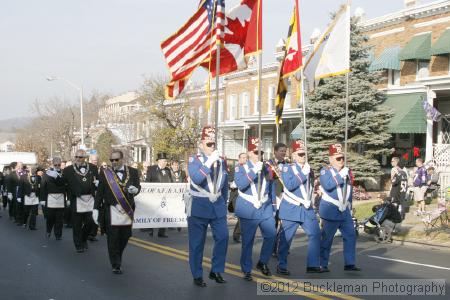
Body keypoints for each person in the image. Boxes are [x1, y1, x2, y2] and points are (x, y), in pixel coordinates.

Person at [187, 126, 229, 287]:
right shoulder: (194, 160)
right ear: (201, 144)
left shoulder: (221, 161)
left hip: (217, 206)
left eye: (213, 144)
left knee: (223, 237)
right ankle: (197, 274)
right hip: (199, 205)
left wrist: (224, 203)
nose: (212, 147)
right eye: (209, 144)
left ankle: (216, 270)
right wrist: (209, 161)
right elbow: (197, 179)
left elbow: (223, 183)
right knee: (197, 243)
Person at [277, 140, 322, 275]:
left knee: (315, 234)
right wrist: (303, 173)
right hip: (291, 208)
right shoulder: (287, 168)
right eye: (300, 154)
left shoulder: (308, 169)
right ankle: (281, 265)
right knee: (286, 239)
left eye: (304, 154)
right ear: (294, 156)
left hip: (306, 209)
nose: (303, 157)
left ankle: (312, 264)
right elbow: (290, 185)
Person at [234, 137, 276, 281]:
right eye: (256, 152)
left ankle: (262, 262)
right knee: (248, 240)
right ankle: (246, 268)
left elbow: (270, 186)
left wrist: (273, 204)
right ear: (249, 153)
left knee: (271, 235)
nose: (259, 155)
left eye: (261, 152)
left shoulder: (265, 167)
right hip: (248, 207)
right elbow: (241, 185)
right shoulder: (240, 167)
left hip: (265, 207)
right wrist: (253, 172)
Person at [94, 149, 141, 274]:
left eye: (116, 159)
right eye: (111, 160)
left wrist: (135, 190)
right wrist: (95, 209)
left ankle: (118, 255)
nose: (113, 162)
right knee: (113, 238)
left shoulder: (133, 171)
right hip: (111, 209)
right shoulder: (105, 173)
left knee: (125, 236)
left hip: (127, 209)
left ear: (122, 159)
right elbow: (100, 193)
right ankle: (116, 264)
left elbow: (138, 186)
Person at [319, 143, 360, 272]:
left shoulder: (347, 171)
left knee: (351, 236)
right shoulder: (326, 171)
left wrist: (350, 205)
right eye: (338, 158)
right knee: (327, 239)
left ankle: (350, 263)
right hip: (331, 210)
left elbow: (349, 189)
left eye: (342, 158)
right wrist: (340, 175)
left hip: (345, 211)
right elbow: (328, 185)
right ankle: (322, 263)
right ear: (331, 159)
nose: (341, 160)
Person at [63, 149, 98, 253]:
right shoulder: (68, 170)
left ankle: (83, 238)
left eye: (80, 157)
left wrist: (97, 184)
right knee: (77, 224)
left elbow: (98, 180)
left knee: (90, 222)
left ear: (85, 158)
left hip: (90, 199)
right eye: (76, 157)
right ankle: (78, 244)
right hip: (76, 198)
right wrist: (67, 198)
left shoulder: (93, 168)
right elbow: (63, 184)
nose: (78, 159)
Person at [146, 152, 173, 238]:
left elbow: (171, 181)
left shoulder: (168, 170)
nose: (165, 163)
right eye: (164, 161)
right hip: (154, 195)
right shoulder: (151, 169)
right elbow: (147, 181)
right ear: (159, 161)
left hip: (165, 195)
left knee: (164, 212)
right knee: (153, 212)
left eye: (166, 161)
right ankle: (151, 230)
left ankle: (162, 232)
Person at [268, 143, 287, 257]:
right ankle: (272, 247)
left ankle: (280, 246)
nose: (283, 153)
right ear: (275, 151)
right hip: (274, 196)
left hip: (284, 196)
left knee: (284, 223)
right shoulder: (269, 164)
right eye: (281, 151)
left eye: (284, 151)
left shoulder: (287, 164)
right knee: (273, 223)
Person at [41, 157, 67, 240]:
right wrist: (42, 199)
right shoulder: (47, 173)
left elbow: (67, 185)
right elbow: (43, 187)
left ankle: (58, 235)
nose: (57, 166)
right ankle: (48, 230)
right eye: (55, 164)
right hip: (50, 198)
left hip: (61, 198)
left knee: (59, 218)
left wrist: (68, 198)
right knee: (50, 217)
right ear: (53, 164)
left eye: (59, 164)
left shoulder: (64, 173)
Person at [229, 153, 248, 243]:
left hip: (245, 196)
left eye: (246, 158)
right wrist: (234, 183)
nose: (245, 159)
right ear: (239, 159)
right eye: (243, 158)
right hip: (236, 195)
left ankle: (237, 234)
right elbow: (229, 182)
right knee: (242, 215)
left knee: (243, 217)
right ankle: (238, 235)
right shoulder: (235, 168)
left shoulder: (248, 168)